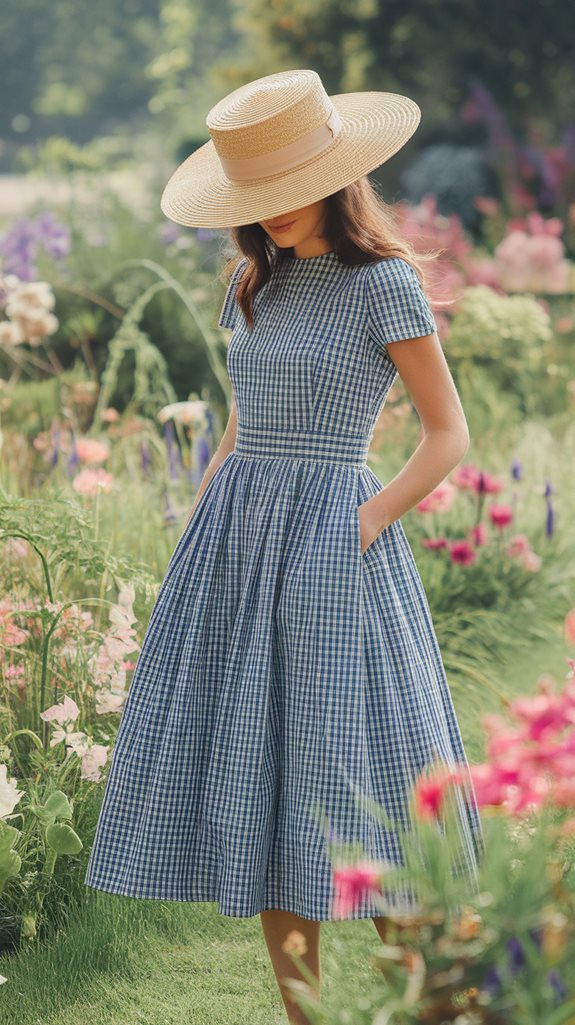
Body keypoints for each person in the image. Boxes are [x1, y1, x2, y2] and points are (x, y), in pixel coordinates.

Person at [84, 69, 483, 1025]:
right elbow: (239, 420)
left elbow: (446, 434)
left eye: (289, 192)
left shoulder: (382, 283)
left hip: (339, 543)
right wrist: (207, 518)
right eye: (255, 201)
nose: (274, 216)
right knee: (265, 777)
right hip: (239, 540)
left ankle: (432, 1004)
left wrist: (365, 518)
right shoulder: (251, 278)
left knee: (369, 773)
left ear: (336, 178)